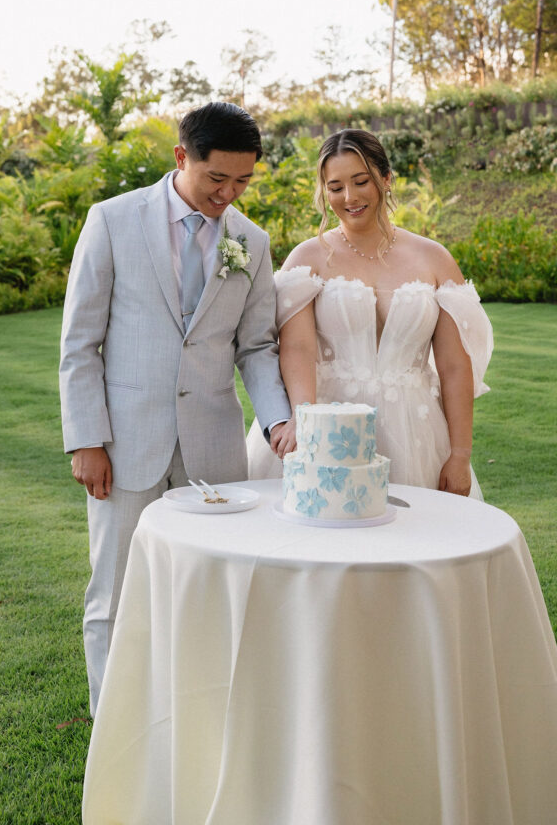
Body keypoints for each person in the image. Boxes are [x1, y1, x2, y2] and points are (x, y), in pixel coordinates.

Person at [60, 101, 291, 715]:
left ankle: (197, 715)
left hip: (213, 448)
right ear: (181, 157)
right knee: (114, 589)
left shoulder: (252, 242)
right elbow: (81, 343)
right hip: (123, 446)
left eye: (243, 181)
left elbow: (258, 348)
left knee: (212, 586)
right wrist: (86, 439)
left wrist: (278, 420)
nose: (230, 193)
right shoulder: (111, 221)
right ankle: (113, 722)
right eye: (218, 178)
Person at [246, 128, 493, 499]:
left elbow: (455, 367)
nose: (349, 197)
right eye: (335, 187)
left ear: (386, 178)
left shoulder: (433, 258)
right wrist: (304, 419)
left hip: (417, 431)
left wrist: (459, 454)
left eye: (361, 181)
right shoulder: (307, 258)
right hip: (329, 427)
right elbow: (297, 349)